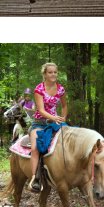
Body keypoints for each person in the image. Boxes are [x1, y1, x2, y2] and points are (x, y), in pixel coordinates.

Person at [28, 63, 67, 192]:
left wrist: (64, 117)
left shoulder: (61, 89)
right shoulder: (39, 89)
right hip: (40, 122)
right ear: (44, 74)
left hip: (55, 122)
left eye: (55, 72)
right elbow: (41, 110)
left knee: (68, 143)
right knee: (35, 148)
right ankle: (35, 179)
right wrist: (54, 118)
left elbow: (64, 106)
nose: (53, 74)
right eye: (50, 72)